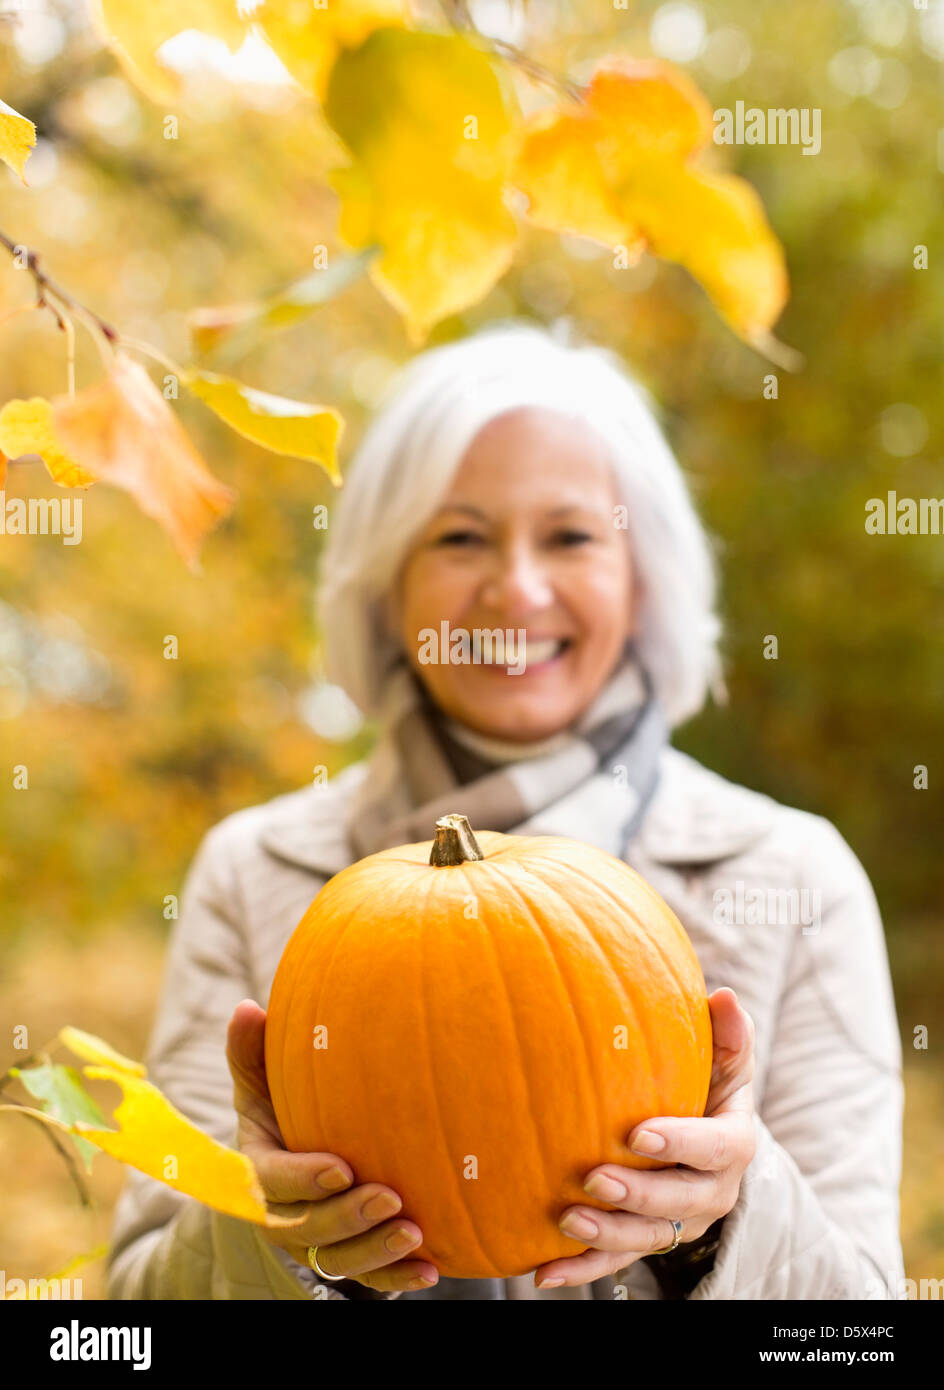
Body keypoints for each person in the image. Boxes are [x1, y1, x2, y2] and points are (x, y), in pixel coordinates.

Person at [106, 322, 905, 1301]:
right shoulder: (254, 869)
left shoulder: (790, 873)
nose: (515, 589)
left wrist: (721, 1218)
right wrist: (264, 1237)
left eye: (569, 536)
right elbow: (135, 1312)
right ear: (383, 583)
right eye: (458, 537)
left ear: (641, 576)